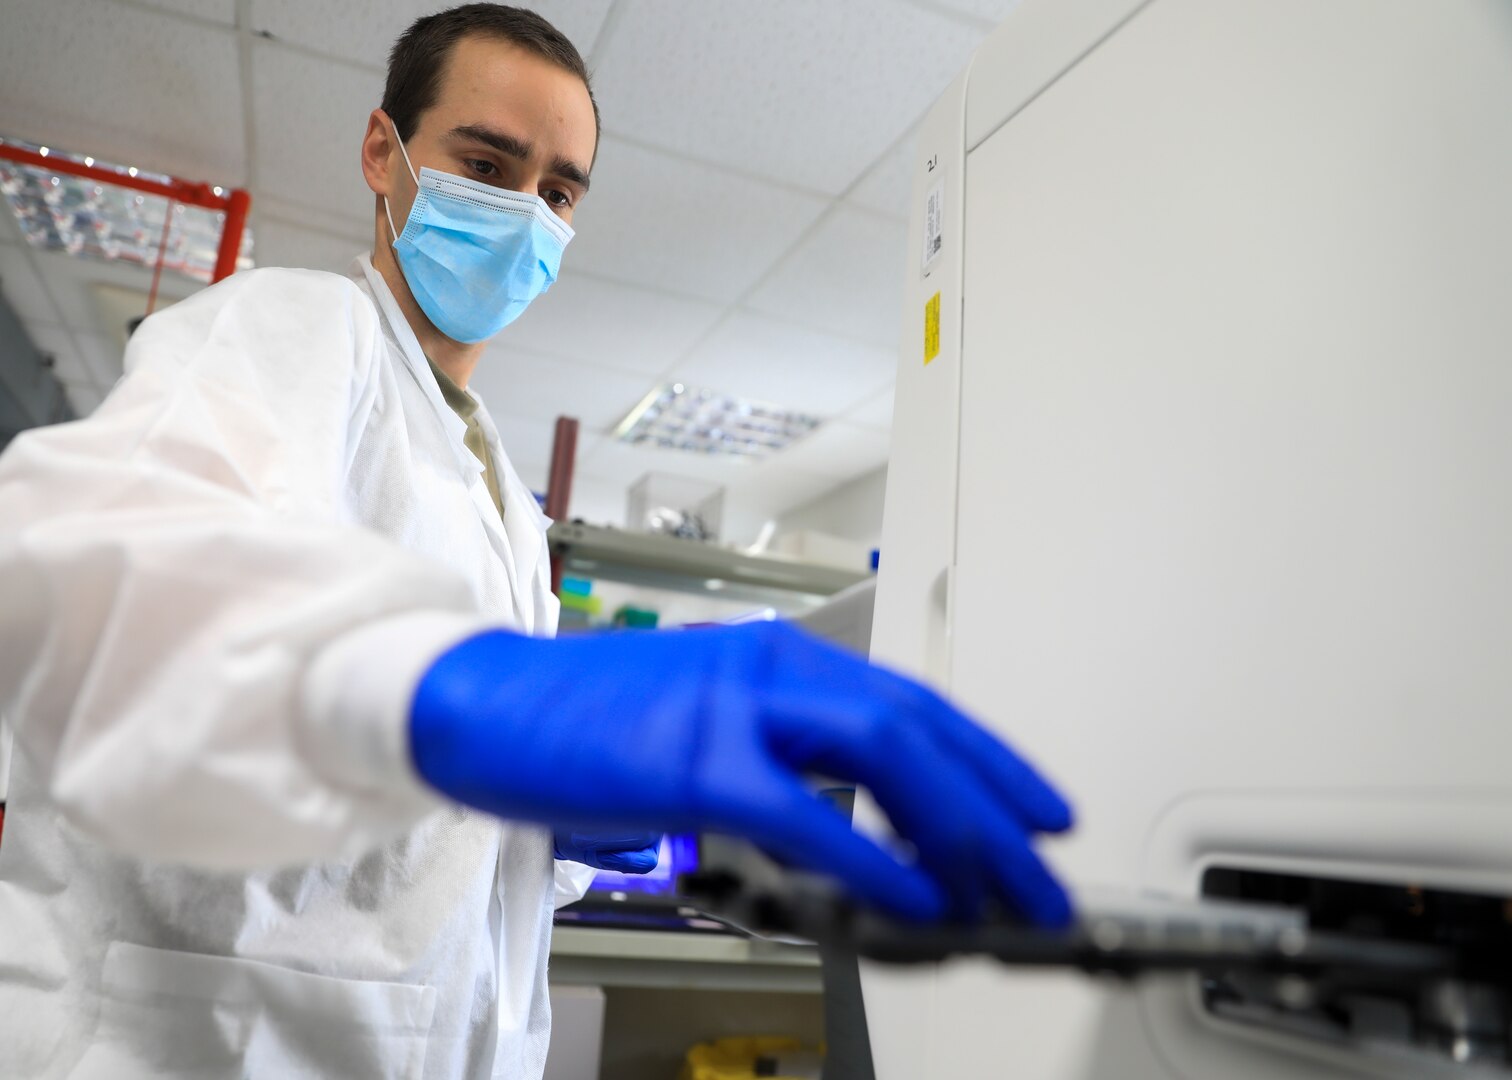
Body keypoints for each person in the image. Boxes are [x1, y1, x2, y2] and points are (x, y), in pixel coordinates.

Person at [0, 5, 1073, 1078]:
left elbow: (433, 866)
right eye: (485, 162)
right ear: (385, 152)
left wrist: (556, 830)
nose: (526, 213)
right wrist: (458, 691)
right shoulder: (292, 328)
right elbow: (90, 562)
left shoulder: (506, 501)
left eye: (558, 191)